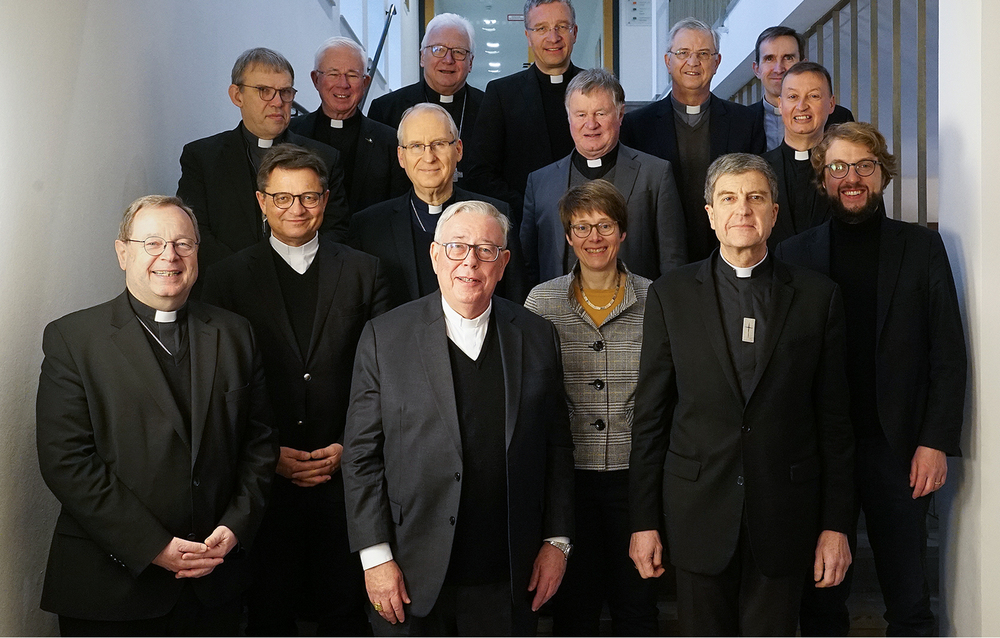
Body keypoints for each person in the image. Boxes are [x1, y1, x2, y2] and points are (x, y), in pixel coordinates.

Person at [628, 153, 855, 635]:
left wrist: (836, 526)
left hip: (785, 513)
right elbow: (649, 418)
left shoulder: (819, 296)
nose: (743, 210)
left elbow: (835, 425)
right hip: (696, 513)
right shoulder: (670, 294)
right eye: (728, 198)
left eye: (756, 197)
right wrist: (643, 520)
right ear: (709, 214)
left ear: (774, 211)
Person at [36, 196, 277, 636]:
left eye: (183, 243)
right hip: (111, 589)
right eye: (152, 243)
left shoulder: (235, 332)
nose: (170, 255)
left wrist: (235, 526)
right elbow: (67, 462)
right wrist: (155, 547)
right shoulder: (73, 339)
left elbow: (260, 443)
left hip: (214, 581)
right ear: (122, 252)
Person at [343, 200, 575, 636]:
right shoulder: (384, 336)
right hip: (409, 577)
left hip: (509, 576)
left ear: (503, 264)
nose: (470, 261)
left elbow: (557, 445)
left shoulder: (537, 334)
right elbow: (360, 458)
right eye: (457, 247)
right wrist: (375, 558)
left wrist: (557, 541)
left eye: (486, 250)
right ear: (435, 256)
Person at [776, 122, 967, 636]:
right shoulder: (793, 255)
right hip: (818, 450)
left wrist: (934, 442)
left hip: (899, 448)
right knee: (820, 603)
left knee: (909, 600)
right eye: (838, 167)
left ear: (882, 174)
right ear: (823, 178)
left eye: (864, 165)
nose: (852, 177)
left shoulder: (922, 248)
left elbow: (948, 353)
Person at [201, 144, 391, 636]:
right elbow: (219, 385)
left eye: (308, 197)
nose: (296, 210)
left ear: (325, 201)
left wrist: (350, 449)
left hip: (346, 473)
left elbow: (384, 376)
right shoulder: (225, 279)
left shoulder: (365, 272)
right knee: (268, 613)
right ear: (261, 202)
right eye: (282, 198)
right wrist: (267, 453)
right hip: (264, 483)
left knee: (345, 613)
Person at [525, 179, 658, 636]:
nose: (594, 238)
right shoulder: (541, 302)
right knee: (574, 611)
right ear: (567, 236)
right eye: (581, 228)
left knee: (637, 607)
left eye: (604, 225)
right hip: (568, 481)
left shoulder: (655, 298)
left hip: (635, 478)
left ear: (623, 232)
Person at [177, 47, 349, 269]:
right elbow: (194, 229)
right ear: (237, 95)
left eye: (285, 92)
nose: (277, 102)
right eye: (264, 90)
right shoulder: (202, 157)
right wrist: (243, 275)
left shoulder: (324, 157)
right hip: (226, 288)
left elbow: (335, 231)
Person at [348, 103, 526, 308]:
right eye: (416, 146)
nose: (429, 157)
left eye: (439, 144)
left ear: (458, 150)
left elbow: (516, 303)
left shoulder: (496, 216)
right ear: (401, 156)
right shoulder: (368, 227)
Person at [521, 68, 686, 285]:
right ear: (568, 117)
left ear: (620, 114)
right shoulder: (540, 182)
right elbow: (527, 267)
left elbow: (672, 262)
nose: (591, 124)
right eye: (581, 115)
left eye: (600, 113)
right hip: (557, 315)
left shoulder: (655, 175)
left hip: (637, 312)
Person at [620, 18, 766, 262]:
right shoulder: (637, 126)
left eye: (703, 53)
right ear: (668, 61)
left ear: (717, 62)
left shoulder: (745, 122)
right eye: (683, 53)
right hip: (659, 256)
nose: (693, 62)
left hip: (728, 253)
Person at [463, 0, 583, 221]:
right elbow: (480, 173)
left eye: (562, 27)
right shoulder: (501, 94)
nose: (553, 37)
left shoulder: (597, 90)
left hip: (590, 224)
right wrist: (528, 208)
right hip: (524, 225)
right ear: (528, 36)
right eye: (541, 28)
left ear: (575, 32)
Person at [290, 37, 407, 214]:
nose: (343, 84)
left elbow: (397, 209)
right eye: (333, 74)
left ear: (365, 83)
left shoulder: (389, 142)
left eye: (352, 75)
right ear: (315, 80)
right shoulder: (290, 134)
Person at [368, 13, 483, 157]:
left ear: (470, 62)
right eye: (438, 49)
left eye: (458, 52)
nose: (448, 60)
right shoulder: (386, 110)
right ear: (422, 57)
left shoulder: (490, 109)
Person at [762, 61, 837, 247]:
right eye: (793, 96)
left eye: (813, 96)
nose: (802, 106)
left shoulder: (849, 171)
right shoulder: (756, 171)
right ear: (780, 105)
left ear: (831, 103)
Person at [749, 26, 855, 151]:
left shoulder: (840, 117)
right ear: (756, 69)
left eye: (788, 58)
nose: (779, 69)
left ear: (803, 64)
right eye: (769, 59)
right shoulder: (740, 121)